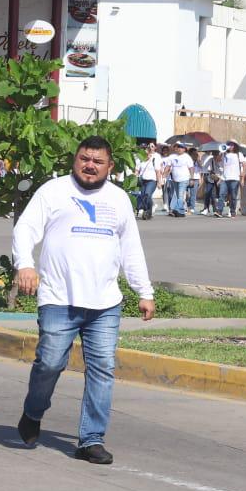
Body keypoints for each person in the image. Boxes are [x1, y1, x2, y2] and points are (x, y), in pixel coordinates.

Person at [13, 136, 155, 465]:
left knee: (103, 369)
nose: (89, 165)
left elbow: (131, 249)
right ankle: (33, 413)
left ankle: (91, 439)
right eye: (84, 158)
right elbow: (26, 228)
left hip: (104, 304)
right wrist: (25, 264)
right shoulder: (54, 191)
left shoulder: (119, 200)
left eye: (97, 161)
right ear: (75, 160)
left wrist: (144, 292)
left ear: (110, 167)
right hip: (59, 298)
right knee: (49, 364)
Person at [135, 144, 161, 221]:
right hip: (142, 180)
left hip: (152, 180)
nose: (149, 148)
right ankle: (148, 210)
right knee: (143, 196)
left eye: (152, 146)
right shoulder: (140, 159)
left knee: (147, 194)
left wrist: (159, 182)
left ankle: (148, 211)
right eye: (148, 147)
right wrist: (134, 179)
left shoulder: (155, 157)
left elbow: (158, 171)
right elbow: (137, 170)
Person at [166, 144, 192, 218]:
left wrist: (192, 178)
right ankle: (178, 210)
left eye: (181, 147)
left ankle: (179, 210)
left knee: (180, 195)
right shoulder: (172, 157)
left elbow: (191, 168)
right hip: (175, 179)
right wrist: (164, 174)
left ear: (184, 149)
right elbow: (168, 166)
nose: (179, 149)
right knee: (177, 195)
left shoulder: (187, 157)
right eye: (178, 147)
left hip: (184, 179)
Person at [219, 142, 243, 218]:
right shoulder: (224, 154)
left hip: (235, 178)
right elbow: (218, 160)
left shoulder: (239, 154)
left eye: (232, 145)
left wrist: (242, 177)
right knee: (221, 194)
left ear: (235, 146)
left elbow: (244, 165)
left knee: (233, 196)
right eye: (229, 145)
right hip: (225, 178)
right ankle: (219, 211)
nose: (230, 146)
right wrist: (221, 152)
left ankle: (233, 211)